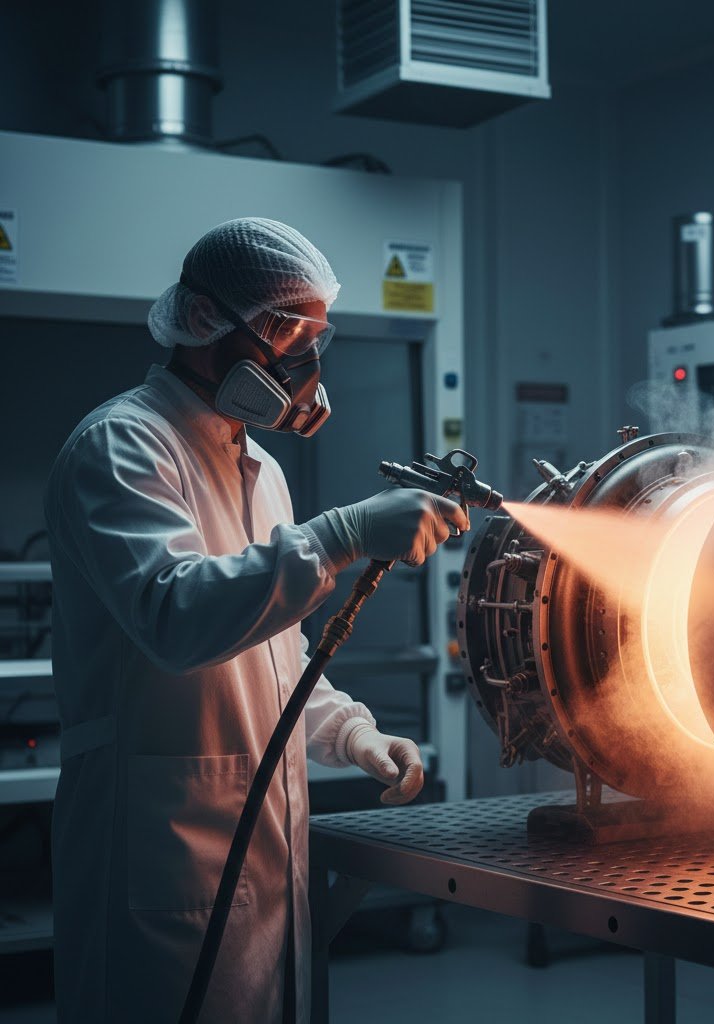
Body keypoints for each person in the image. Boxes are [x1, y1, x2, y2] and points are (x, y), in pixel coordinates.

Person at [43, 218, 468, 1023]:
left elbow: (271, 651)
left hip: (264, 854)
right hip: (161, 848)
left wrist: (350, 733)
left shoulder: (261, 466)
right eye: (283, 330)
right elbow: (176, 615)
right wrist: (340, 535)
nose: (303, 360)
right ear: (204, 322)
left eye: (314, 334)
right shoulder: (122, 446)